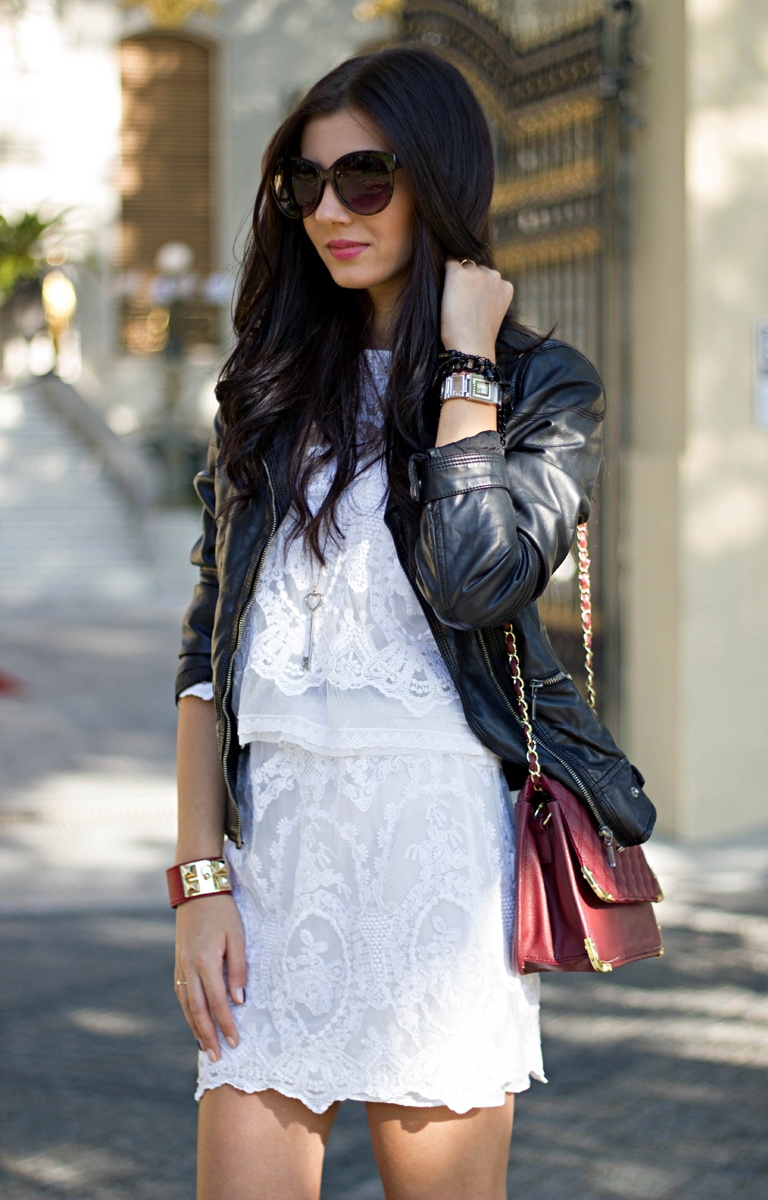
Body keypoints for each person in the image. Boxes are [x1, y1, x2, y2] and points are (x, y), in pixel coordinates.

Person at [172, 45, 610, 1200]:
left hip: (438, 867)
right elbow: (207, 647)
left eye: (364, 178)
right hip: (275, 862)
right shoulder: (271, 380)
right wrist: (200, 885)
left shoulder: (541, 388)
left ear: (435, 178)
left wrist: (464, 361)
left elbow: (476, 582)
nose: (329, 210)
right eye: (305, 186)